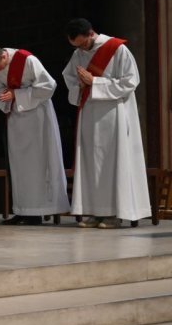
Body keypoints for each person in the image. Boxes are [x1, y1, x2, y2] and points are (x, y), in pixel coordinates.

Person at [62, 18, 150, 228]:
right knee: (91, 162)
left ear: (91, 33)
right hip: (89, 113)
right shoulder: (78, 54)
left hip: (113, 114)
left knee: (112, 162)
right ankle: (94, 211)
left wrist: (95, 82)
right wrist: (80, 85)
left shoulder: (117, 49)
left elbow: (131, 81)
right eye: (76, 46)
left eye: (82, 44)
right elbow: (69, 78)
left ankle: (113, 213)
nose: (81, 49)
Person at [0, 45, 70, 225]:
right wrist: (6, 98)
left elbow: (48, 87)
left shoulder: (27, 60)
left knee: (37, 163)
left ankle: (38, 211)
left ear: (4, 57)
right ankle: (22, 210)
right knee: (19, 166)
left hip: (38, 117)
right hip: (16, 118)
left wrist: (16, 94)